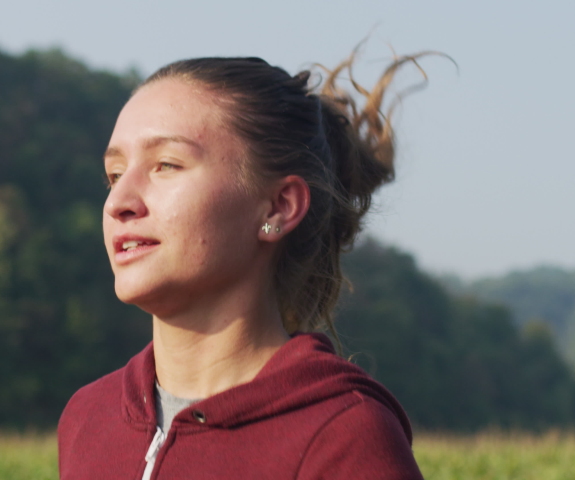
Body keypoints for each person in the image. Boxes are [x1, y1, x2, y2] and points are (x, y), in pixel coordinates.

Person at [57, 52, 430, 479]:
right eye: (115, 174)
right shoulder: (88, 418)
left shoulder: (344, 434)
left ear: (278, 206)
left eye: (166, 165)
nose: (119, 203)